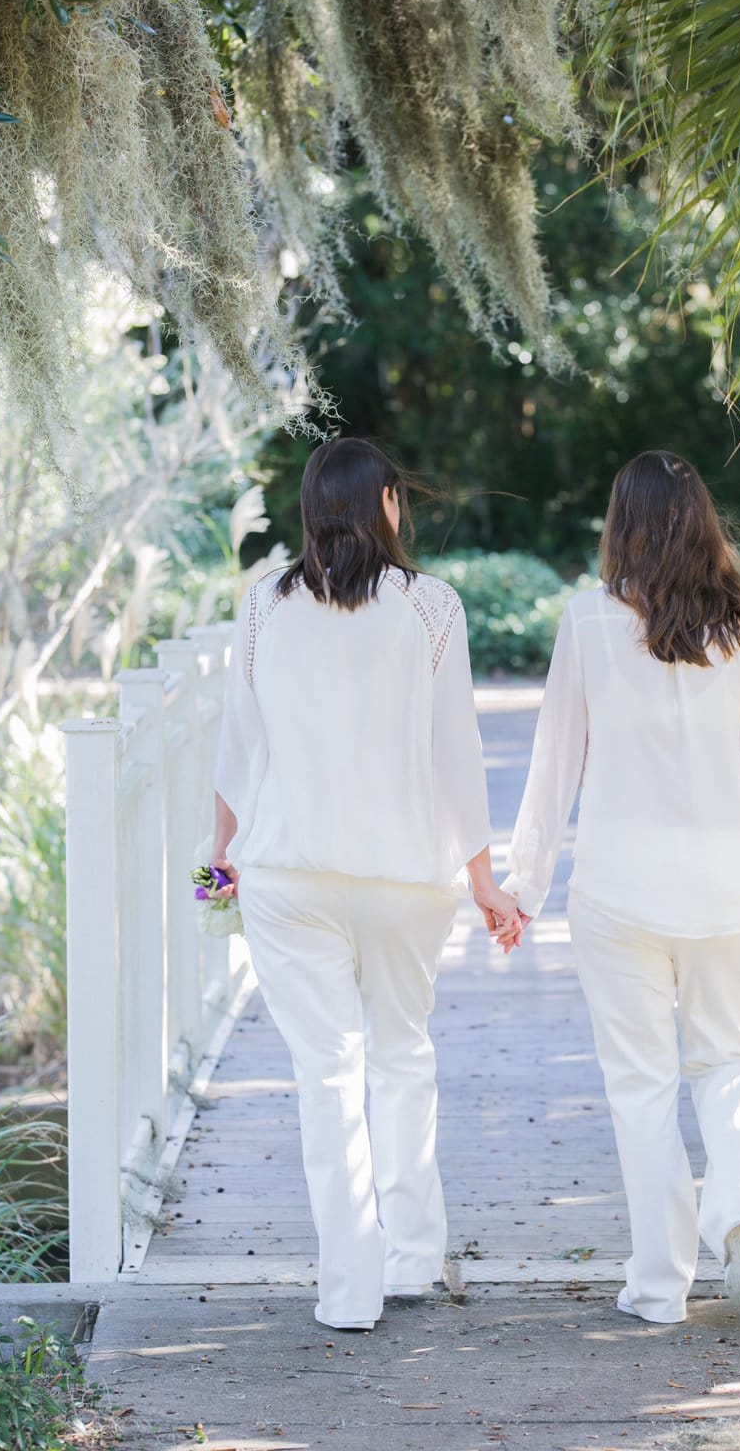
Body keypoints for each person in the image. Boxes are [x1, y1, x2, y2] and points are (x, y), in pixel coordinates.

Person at [501, 450, 740, 1324]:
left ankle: (660, 1285)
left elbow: (554, 768)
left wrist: (523, 887)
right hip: (733, 888)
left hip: (620, 888)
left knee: (640, 1084)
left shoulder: (587, 623)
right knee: (728, 1060)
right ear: (704, 524)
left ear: (621, 526)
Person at [211, 437, 520, 1332]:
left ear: (310, 511)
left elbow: (240, 751)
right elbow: (456, 755)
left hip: (287, 871)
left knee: (325, 1076)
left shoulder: (263, 606)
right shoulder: (430, 608)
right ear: (387, 502)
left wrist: (218, 858)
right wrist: (485, 881)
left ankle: (348, 1289)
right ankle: (415, 1258)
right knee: (401, 1053)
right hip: (402, 878)